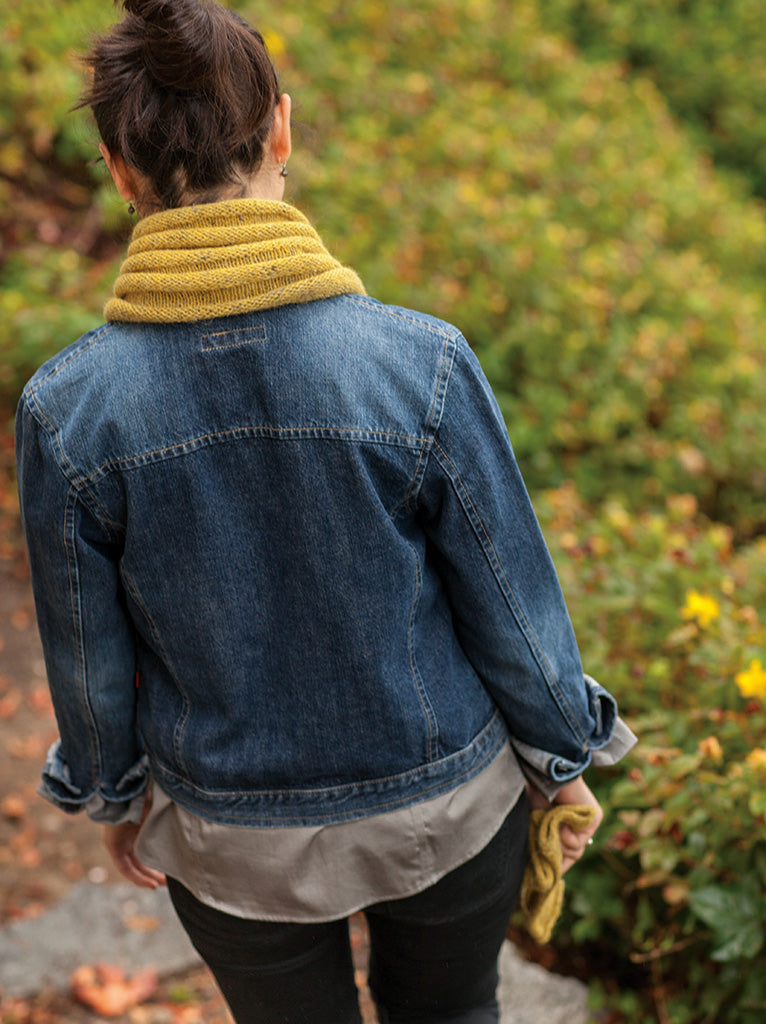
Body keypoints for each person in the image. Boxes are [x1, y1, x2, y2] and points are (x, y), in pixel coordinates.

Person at [15, 1, 635, 1021]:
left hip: (229, 835)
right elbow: (509, 597)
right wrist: (562, 758)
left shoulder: (69, 410)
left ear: (119, 171)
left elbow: (85, 650)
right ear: (281, 131)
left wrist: (114, 792)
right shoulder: (419, 363)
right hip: (442, 802)